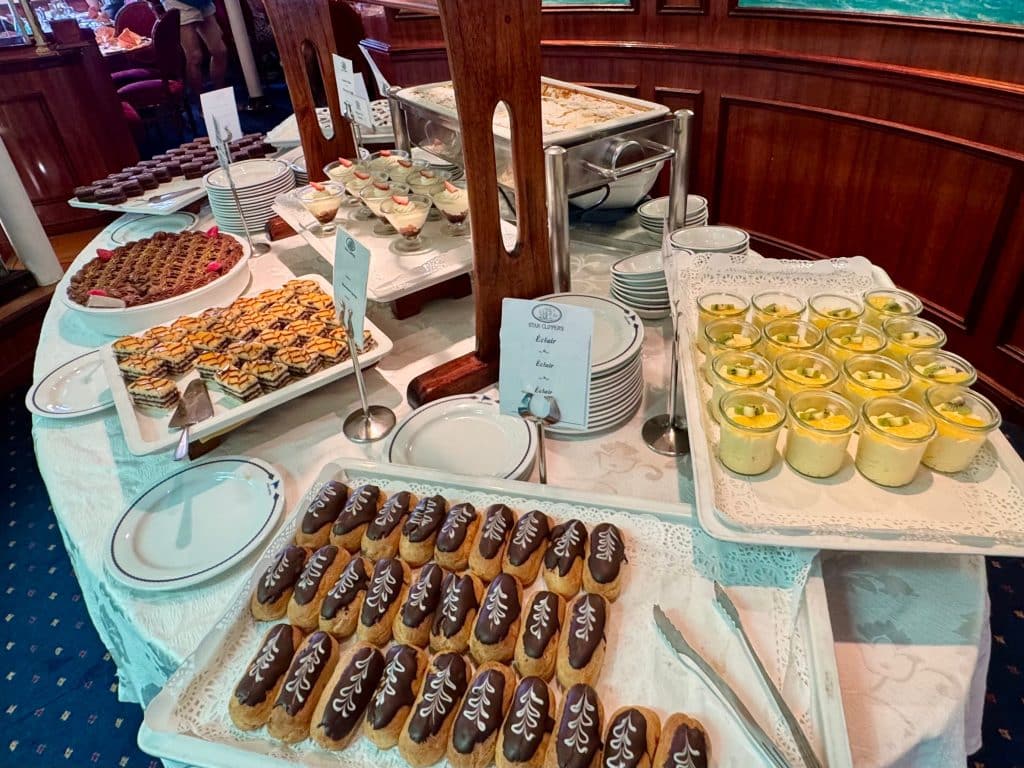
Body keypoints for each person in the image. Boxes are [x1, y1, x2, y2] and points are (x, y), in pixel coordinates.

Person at [160, 0, 226, 100]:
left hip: (203, 2)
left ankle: (220, 98)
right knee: (195, 57)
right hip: (178, 4)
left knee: (220, 51)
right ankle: (201, 102)